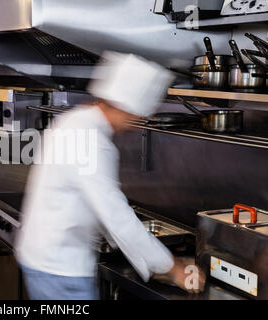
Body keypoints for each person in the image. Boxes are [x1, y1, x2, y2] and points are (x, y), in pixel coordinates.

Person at [15, 52, 206, 300]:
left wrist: (152, 259)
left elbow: (98, 204)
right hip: (60, 269)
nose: (135, 124)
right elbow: (115, 214)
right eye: (136, 117)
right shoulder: (91, 141)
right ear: (124, 108)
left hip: (44, 258)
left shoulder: (75, 121)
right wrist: (173, 268)